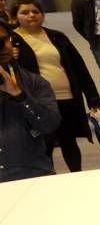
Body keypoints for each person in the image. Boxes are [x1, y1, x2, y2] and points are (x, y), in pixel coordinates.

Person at [12, 0, 100, 172]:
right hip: (38, 103)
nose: (31, 15)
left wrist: (92, 96)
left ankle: (77, 175)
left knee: (69, 141)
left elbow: (79, 67)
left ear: (42, 14)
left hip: (66, 97)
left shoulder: (56, 36)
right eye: (25, 12)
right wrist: (10, 57)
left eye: (35, 12)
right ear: (16, 16)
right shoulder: (10, 42)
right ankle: (48, 179)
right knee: (45, 145)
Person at [0, 19, 60, 181]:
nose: (3, 47)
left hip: (33, 174)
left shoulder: (34, 82)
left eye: (4, 40)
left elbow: (50, 124)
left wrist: (19, 94)